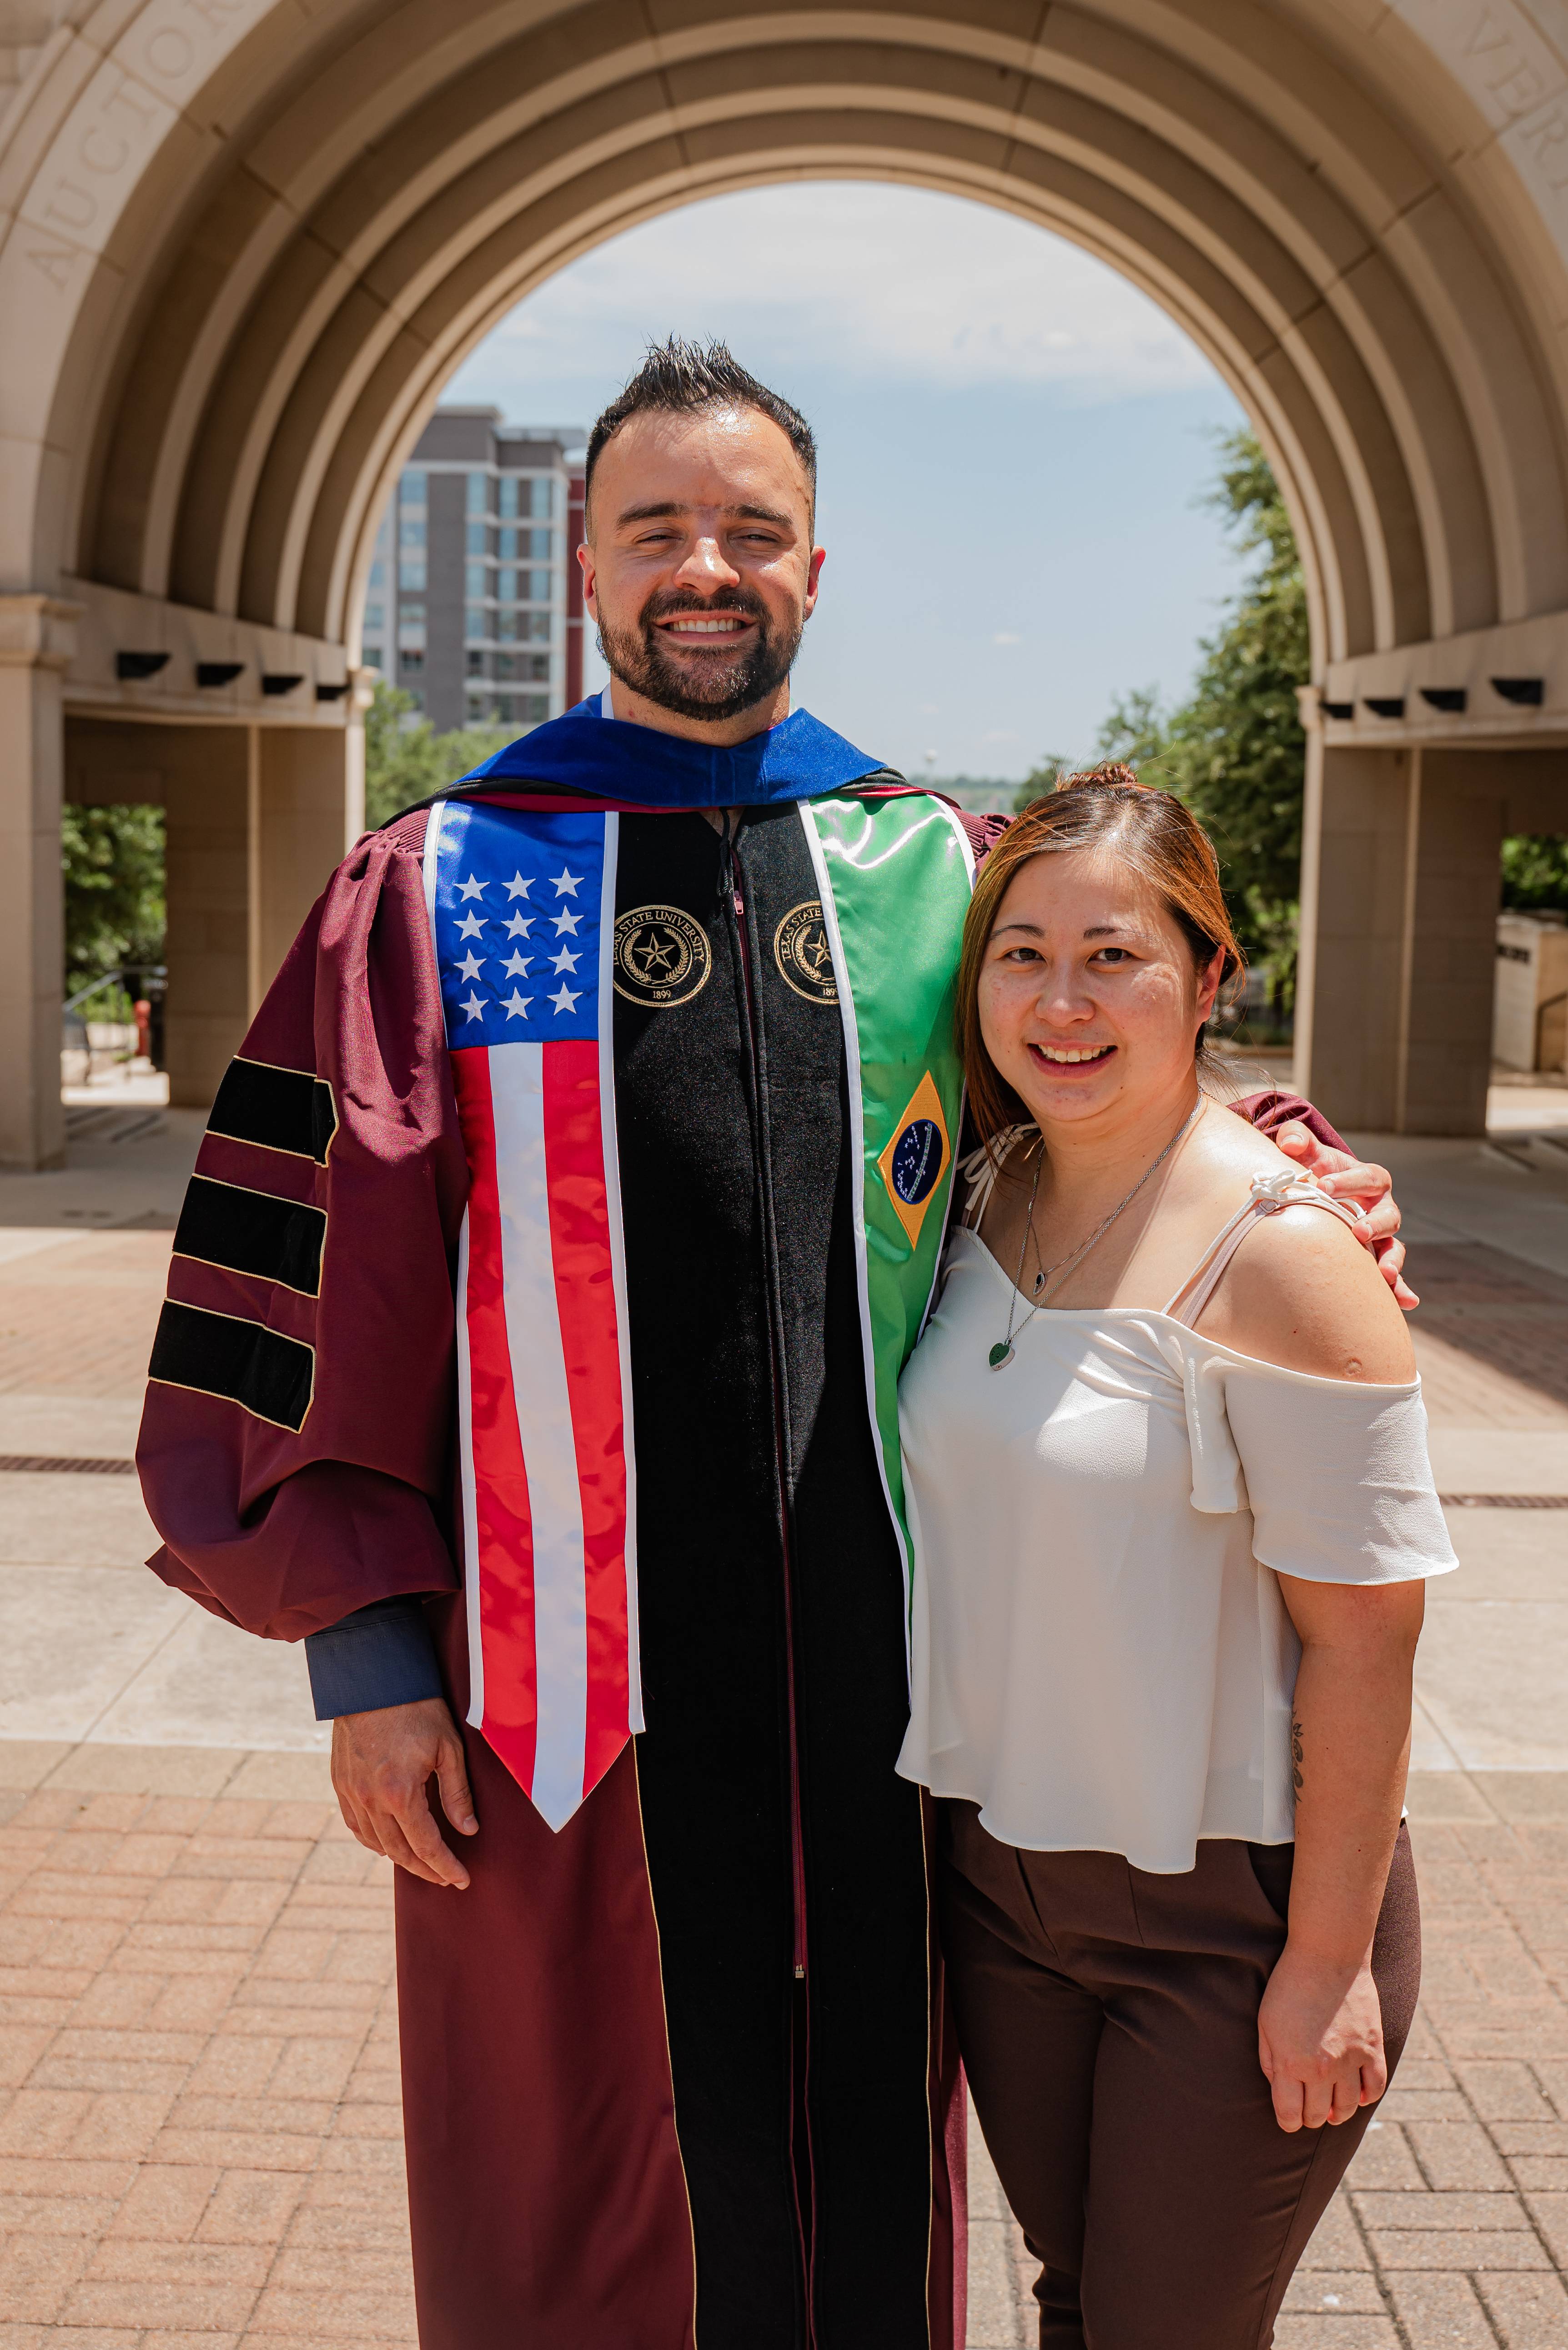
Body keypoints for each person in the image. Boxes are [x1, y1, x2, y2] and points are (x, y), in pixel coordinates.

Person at [136, 344, 1408, 2350]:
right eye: (658, 530)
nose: (703, 568)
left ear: (816, 564)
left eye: (747, 531)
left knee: (858, 2175)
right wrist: (366, 1657)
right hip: (559, 1707)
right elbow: (318, 1274)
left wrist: (1297, 1163)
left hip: (889, 1701)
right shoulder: (449, 881)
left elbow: (1107, 1075)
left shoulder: (929, 874)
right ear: (586, 566)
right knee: (580, 2184)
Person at [896, 770, 1456, 2350]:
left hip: (1235, 1914)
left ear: (1210, 977)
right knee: (1084, 2306)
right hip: (1002, 1884)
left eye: (1115, 955)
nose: (1062, 1001)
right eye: (1022, 953)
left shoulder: (1288, 1257)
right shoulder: (975, 1199)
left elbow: (1365, 1646)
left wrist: (1329, 1964)